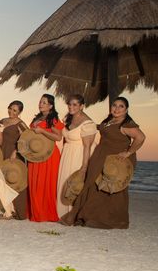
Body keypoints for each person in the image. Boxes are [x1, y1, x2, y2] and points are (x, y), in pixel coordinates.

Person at [62, 97, 145, 229]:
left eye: (121, 106)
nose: (116, 109)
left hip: (116, 159)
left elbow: (141, 137)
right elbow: (96, 127)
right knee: (93, 184)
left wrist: (128, 153)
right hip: (102, 155)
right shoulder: (109, 121)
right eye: (114, 105)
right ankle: (89, 216)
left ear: (126, 109)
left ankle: (113, 219)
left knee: (113, 188)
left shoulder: (126, 124)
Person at [56, 94, 97, 218]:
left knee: (75, 184)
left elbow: (87, 147)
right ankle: (62, 213)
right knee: (64, 182)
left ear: (82, 106)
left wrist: (84, 167)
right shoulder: (68, 118)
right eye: (69, 104)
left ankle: (74, 214)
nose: (71, 107)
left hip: (80, 155)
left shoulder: (87, 123)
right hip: (67, 153)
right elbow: (64, 138)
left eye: (75, 104)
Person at [28, 94, 63, 222]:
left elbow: (58, 137)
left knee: (45, 182)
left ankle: (45, 213)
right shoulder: (38, 118)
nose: (41, 104)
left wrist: (42, 131)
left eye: (44, 102)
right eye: (40, 101)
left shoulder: (52, 119)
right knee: (34, 182)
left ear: (51, 105)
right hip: (35, 153)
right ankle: (36, 211)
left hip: (49, 154)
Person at [0, 100, 29, 220]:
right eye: (10, 108)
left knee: (15, 181)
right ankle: (8, 209)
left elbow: (27, 138)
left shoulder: (20, 123)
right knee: (3, 180)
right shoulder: (2, 121)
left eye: (15, 110)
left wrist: (16, 151)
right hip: (1, 151)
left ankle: (19, 210)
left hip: (14, 153)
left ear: (20, 112)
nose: (11, 111)